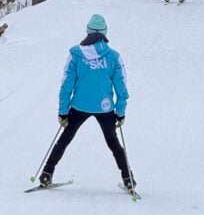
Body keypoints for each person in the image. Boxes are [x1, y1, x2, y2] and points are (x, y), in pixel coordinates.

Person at [39, 14, 135, 190]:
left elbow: (66, 84)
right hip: (104, 107)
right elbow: (121, 89)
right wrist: (120, 113)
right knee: (113, 143)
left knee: (65, 139)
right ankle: (128, 178)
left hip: (79, 106)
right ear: (105, 33)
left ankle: (46, 174)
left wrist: (63, 111)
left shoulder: (75, 54)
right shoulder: (113, 57)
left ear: (87, 32)